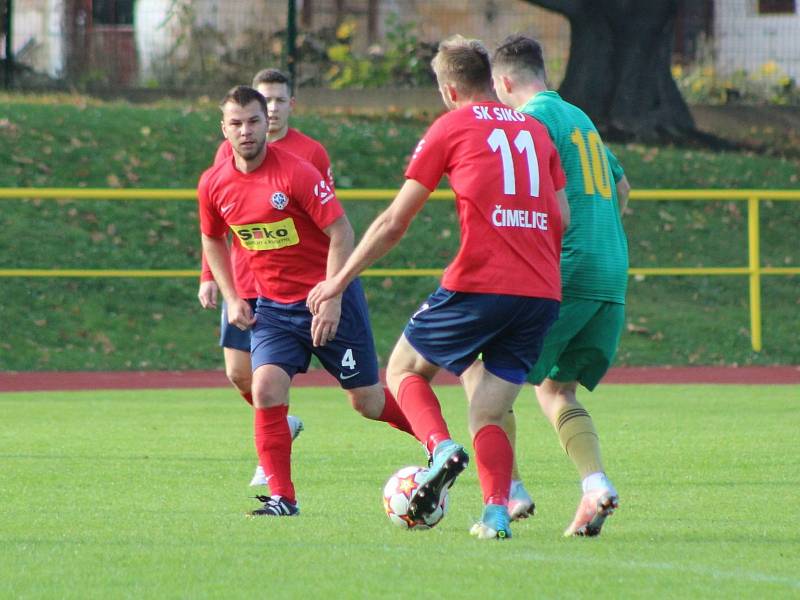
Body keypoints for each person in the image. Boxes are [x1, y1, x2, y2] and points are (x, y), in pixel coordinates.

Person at [308, 35, 570, 540]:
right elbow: (561, 215)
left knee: (405, 368)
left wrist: (337, 280)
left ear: (450, 90)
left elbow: (393, 223)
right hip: (540, 292)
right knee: (490, 409)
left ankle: (440, 447)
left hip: (481, 281)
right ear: (490, 82)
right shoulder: (537, 131)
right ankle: (495, 515)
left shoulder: (452, 126)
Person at [198, 85, 416, 517]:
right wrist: (229, 293)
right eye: (236, 124)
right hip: (274, 306)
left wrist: (332, 297)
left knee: (367, 402)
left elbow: (342, 232)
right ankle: (283, 497)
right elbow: (212, 237)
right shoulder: (214, 182)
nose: (246, 131)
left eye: (254, 121)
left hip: (327, 296)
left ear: (268, 124)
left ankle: (438, 444)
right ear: (224, 129)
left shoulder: (297, 170)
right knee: (263, 386)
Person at [492, 34, 631, 537]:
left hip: (566, 271)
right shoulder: (581, 119)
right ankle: (594, 484)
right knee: (555, 387)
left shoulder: (530, 124)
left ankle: (507, 491)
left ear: (505, 82)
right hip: (611, 270)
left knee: (490, 378)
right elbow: (621, 187)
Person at [197, 69, 335, 487]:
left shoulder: (310, 154)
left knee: (268, 377)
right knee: (238, 373)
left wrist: (330, 284)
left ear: (291, 104)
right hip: (244, 280)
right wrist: (210, 277)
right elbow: (215, 222)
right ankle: (281, 425)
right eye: (266, 100)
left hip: (291, 285)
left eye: (278, 100)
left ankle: (272, 455)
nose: (272, 108)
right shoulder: (231, 151)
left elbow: (330, 223)